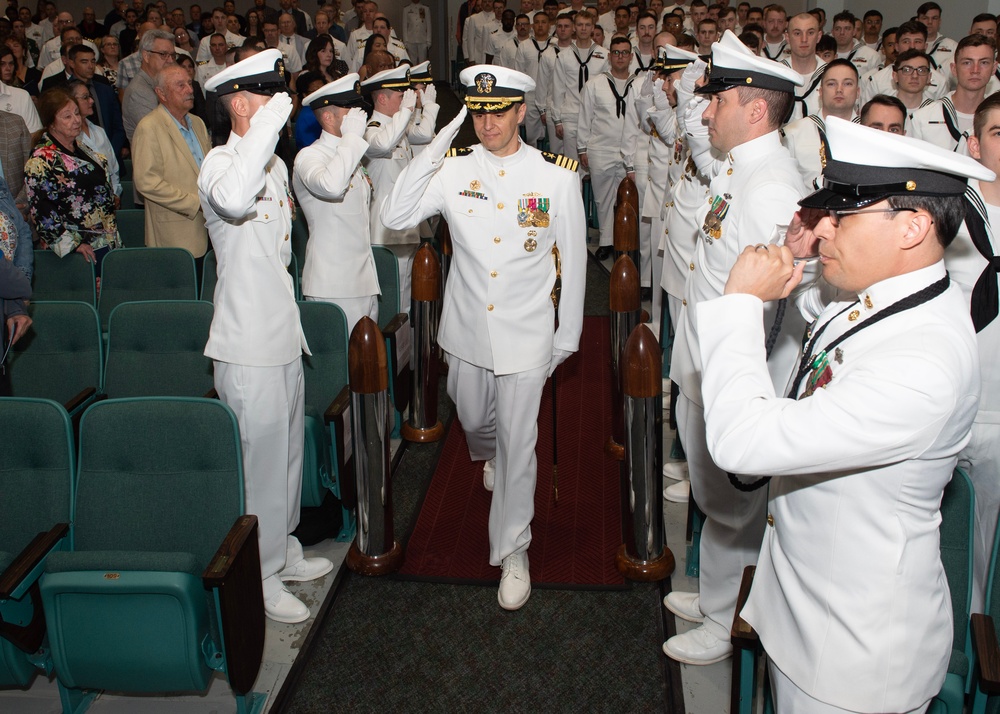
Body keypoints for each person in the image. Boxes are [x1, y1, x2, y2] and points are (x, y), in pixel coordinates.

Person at [698, 114, 989, 713]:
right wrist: (796, 258)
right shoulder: (898, 296)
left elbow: (741, 441)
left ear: (911, 227)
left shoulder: (924, 361)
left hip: (853, 660)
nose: (823, 225)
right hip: (809, 612)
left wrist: (736, 306)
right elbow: (828, 322)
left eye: (843, 214)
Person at [380, 64, 586, 611]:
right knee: (472, 419)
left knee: (522, 444)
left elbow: (576, 260)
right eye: (477, 110)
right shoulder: (452, 170)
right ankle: (489, 451)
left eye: (498, 110)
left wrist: (565, 338)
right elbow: (394, 213)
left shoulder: (556, 176)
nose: (487, 121)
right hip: (467, 329)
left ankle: (513, 547)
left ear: (521, 111)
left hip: (528, 332)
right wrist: (439, 140)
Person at [661, 30, 807, 666]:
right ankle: (717, 595)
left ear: (752, 110)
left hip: (737, 375)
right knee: (717, 500)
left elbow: (774, 306)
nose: (705, 110)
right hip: (708, 363)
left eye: (717, 100)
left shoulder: (771, 186)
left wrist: (745, 392)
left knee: (736, 506)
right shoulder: (739, 167)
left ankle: (729, 620)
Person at [199, 48, 333, 625]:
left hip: (281, 332)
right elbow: (232, 201)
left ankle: (284, 549)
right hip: (246, 341)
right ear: (237, 102)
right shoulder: (220, 166)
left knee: (287, 457)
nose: (278, 108)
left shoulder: (273, 168)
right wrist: (272, 125)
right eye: (265, 98)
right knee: (260, 465)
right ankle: (259, 573)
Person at [947, 92, 1000, 614]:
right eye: (999, 132)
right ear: (975, 143)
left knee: (988, 548)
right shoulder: (952, 215)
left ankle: (980, 647)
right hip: (953, 399)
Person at [294, 73, 379, 333]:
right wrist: (352, 139)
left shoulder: (351, 154)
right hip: (332, 283)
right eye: (350, 111)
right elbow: (332, 186)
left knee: (367, 367)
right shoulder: (310, 156)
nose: (359, 117)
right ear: (329, 118)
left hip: (364, 280)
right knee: (340, 369)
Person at [361, 64, 438, 314]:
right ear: (382, 98)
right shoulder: (370, 129)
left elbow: (425, 134)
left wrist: (427, 107)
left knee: (405, 295)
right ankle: (389, 350)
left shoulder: (398, 127)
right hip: (383, 231)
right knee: (391, 299)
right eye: (399, 96)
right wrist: (406, 112)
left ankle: (403, 349)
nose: (405, 99)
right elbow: (382, 145)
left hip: (403, 227)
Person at [25, 87, 122, 275]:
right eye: (67, 116)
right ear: (51, 122)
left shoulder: (81, 147)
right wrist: (73, 245)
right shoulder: (41, 160)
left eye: (77, 113)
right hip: (78, 251)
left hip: (107, 239)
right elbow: (43, 212)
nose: (76, 120)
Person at [132, 64, 210, 279]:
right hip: (175, 235)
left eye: (189, 83)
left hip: (210, 230)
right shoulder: (149, 127)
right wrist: (195, 203)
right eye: (180, 85)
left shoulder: (198, 123)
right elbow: (146, 182)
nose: (190, 89)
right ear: (161, 93)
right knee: (183, 302)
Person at [577, 35, 637, 258]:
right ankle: (606, 240)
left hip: (629, 151)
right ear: (610, 55)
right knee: (602, 198)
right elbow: (585, 118)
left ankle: (625, 241)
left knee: (627, 198)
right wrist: (582, 148)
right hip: (600, 148)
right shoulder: (595, 83)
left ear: (631, 56)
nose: (620, 57)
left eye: (625, 52)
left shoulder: (639, 84)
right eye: (616, 52)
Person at [910, 34, 996, 155]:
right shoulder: (922, 119)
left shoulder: (996, 119)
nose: (975, 70)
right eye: (967, 63)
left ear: (994, 68)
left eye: (984, 63)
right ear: (954, 69)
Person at [781, 58, 859, 190]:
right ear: (820, 92)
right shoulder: (792, 133)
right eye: (831, 84)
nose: (839, 90)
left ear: (858, 92)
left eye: (847, 84)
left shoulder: (869, 135)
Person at [68, 79, 123, 204]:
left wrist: (115, 193)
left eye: (90, 96)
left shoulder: (99, 131)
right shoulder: (69, 138)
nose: (91, 101)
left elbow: (113, 168)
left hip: (109, 202)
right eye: (85, 97)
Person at [123, 29, 176, 143]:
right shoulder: (138, 91)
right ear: (146, 56)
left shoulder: (160, 83)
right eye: (163, 54)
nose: (171, 60)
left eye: (172, 55)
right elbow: (159, 133)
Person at [401, 0, 430, 64]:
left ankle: (422, 74)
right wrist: (405, 41)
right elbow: (405, 26)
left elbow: (428, 25)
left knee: (423, 62)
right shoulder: (406, 9)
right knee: (412, 62)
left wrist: (428, 41)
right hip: (411, 40)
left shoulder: (425, 9)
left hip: (422, 39)